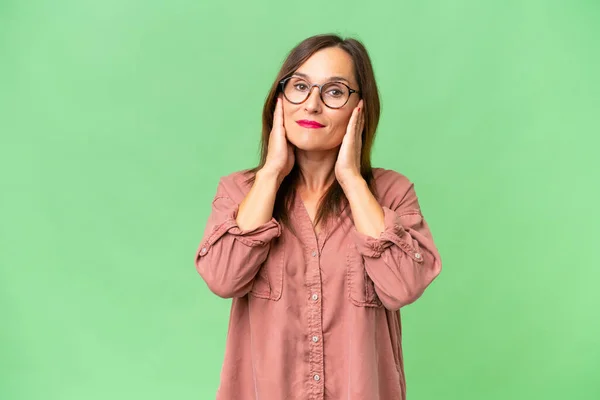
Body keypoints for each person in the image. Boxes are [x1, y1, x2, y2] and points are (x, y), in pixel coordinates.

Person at [194, 33, 442, 400]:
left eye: (335, 92)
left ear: (361, 107)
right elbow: (223, 278)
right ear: (279, 100)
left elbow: (404, 285)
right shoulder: (240, 192)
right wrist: (271, 172)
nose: (312, 105)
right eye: (299, 86)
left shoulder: (391, 193)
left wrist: (352, 180)